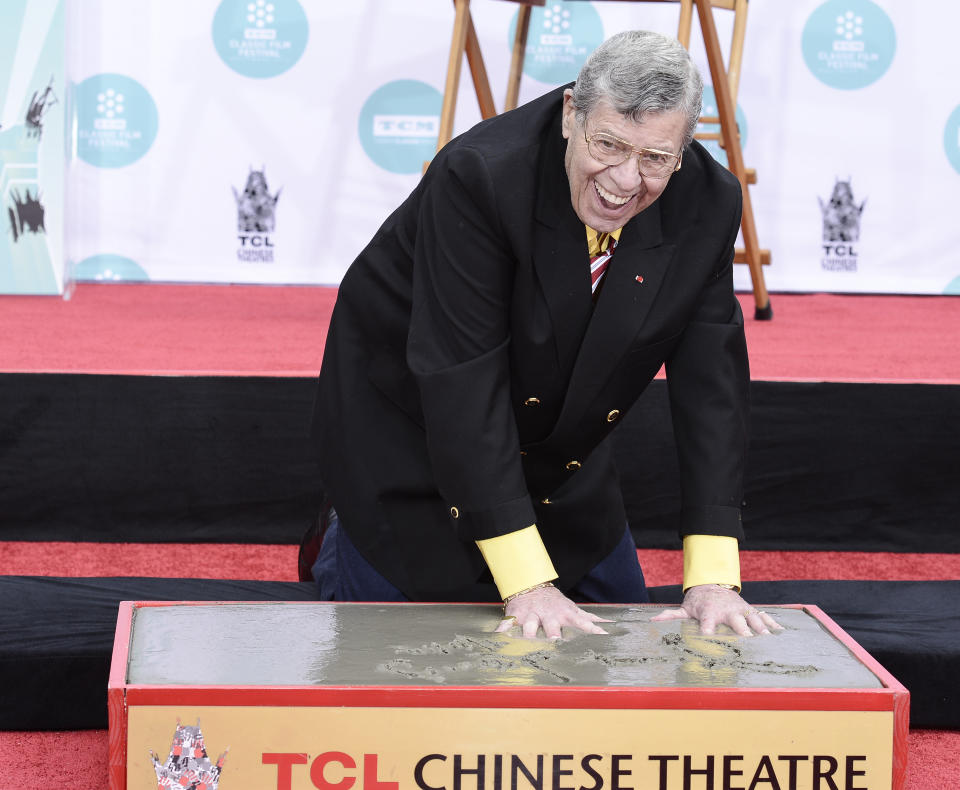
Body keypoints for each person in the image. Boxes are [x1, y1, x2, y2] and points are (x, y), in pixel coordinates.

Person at [308, 30, 780, 640]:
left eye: (656, 158)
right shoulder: (479, 176)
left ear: (685, 148)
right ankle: (338, 537)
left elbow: (712, 386)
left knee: (624, 656)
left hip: (560, 451)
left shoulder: (708, 203)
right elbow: (462, 379)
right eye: (607, 144)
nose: (626, 179)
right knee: (399, 652)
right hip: (412, 432)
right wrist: (528, 584)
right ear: (569, 115)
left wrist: (714, 576)